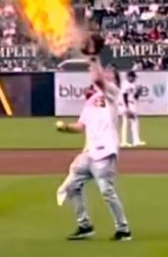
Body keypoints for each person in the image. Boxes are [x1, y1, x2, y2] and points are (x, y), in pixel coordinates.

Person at [55, 57, 132, 242]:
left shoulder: (112, 93)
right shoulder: (91, 101)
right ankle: (85, 225)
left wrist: (94, 58)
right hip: (89, 152)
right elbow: (81, 125)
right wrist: (65, 127)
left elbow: (98, 80)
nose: (104, 74)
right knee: (73, 185)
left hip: (105, 151)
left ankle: (123, 229)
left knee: (107, 191)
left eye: (108, 73)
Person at [120, 70, 145, 148]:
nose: (134, 78)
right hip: (126, 104)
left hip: (132, 103)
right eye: (133, 77)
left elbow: (135, 97)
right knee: (126, 122)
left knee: (134, 122)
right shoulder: (125, 84)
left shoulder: (133, 84)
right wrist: (126, 108)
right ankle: (124, 141)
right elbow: (124, 96)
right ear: (129, 77)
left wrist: (138, 91)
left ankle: (136, 140)